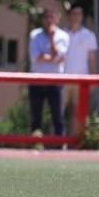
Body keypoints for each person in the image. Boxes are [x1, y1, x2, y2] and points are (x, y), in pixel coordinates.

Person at [28, 7, 69, 137]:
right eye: (46, 17)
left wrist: (52, 40)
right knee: (36, 116)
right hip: (37, 80)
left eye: (52, 17)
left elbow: (60, 58)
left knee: (57, 116)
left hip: (55, 81)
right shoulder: (35, 35)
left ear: (57, 19)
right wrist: (52, 58)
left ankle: (58, 144)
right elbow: (36, 58)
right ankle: (35, 142)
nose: (49, 20)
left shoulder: (63, 36)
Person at [63, 4, 98, 137]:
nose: (76, 17)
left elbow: (92, 59)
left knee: (78, 113)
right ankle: (56, 141)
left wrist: (93, 79)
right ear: (69, 15)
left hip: (81, 80)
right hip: (63, 79)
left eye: (79, 14)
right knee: (58, 111)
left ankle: (75, 141)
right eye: (74, 14)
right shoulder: (62, 34)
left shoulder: (89, 36)